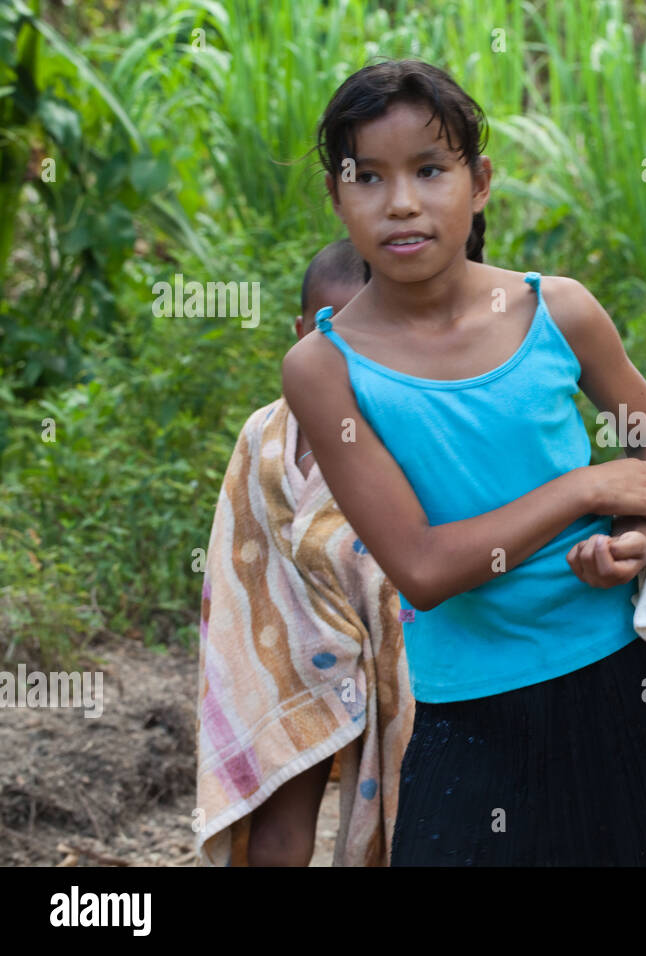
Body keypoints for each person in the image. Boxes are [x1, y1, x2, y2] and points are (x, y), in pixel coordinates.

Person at [281, 60, 646, 865]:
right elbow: (425, 570)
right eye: (368, 177)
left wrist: (638, 531)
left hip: (620, 677)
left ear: (480, 182)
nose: (401, 202)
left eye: (430, 171)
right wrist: (582, 488)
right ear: (337, 196)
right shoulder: (325, 369)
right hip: (470, 708)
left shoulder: (557, 310)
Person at [198, 238, 414, 866]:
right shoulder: (264, 433)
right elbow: (242, 551)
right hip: (284, 650)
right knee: (280, 816)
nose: (344, 354)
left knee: (406, 805)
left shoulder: (409, 428)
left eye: (365, 334)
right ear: (298, 331)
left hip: (390, 650)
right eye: (326, 330)